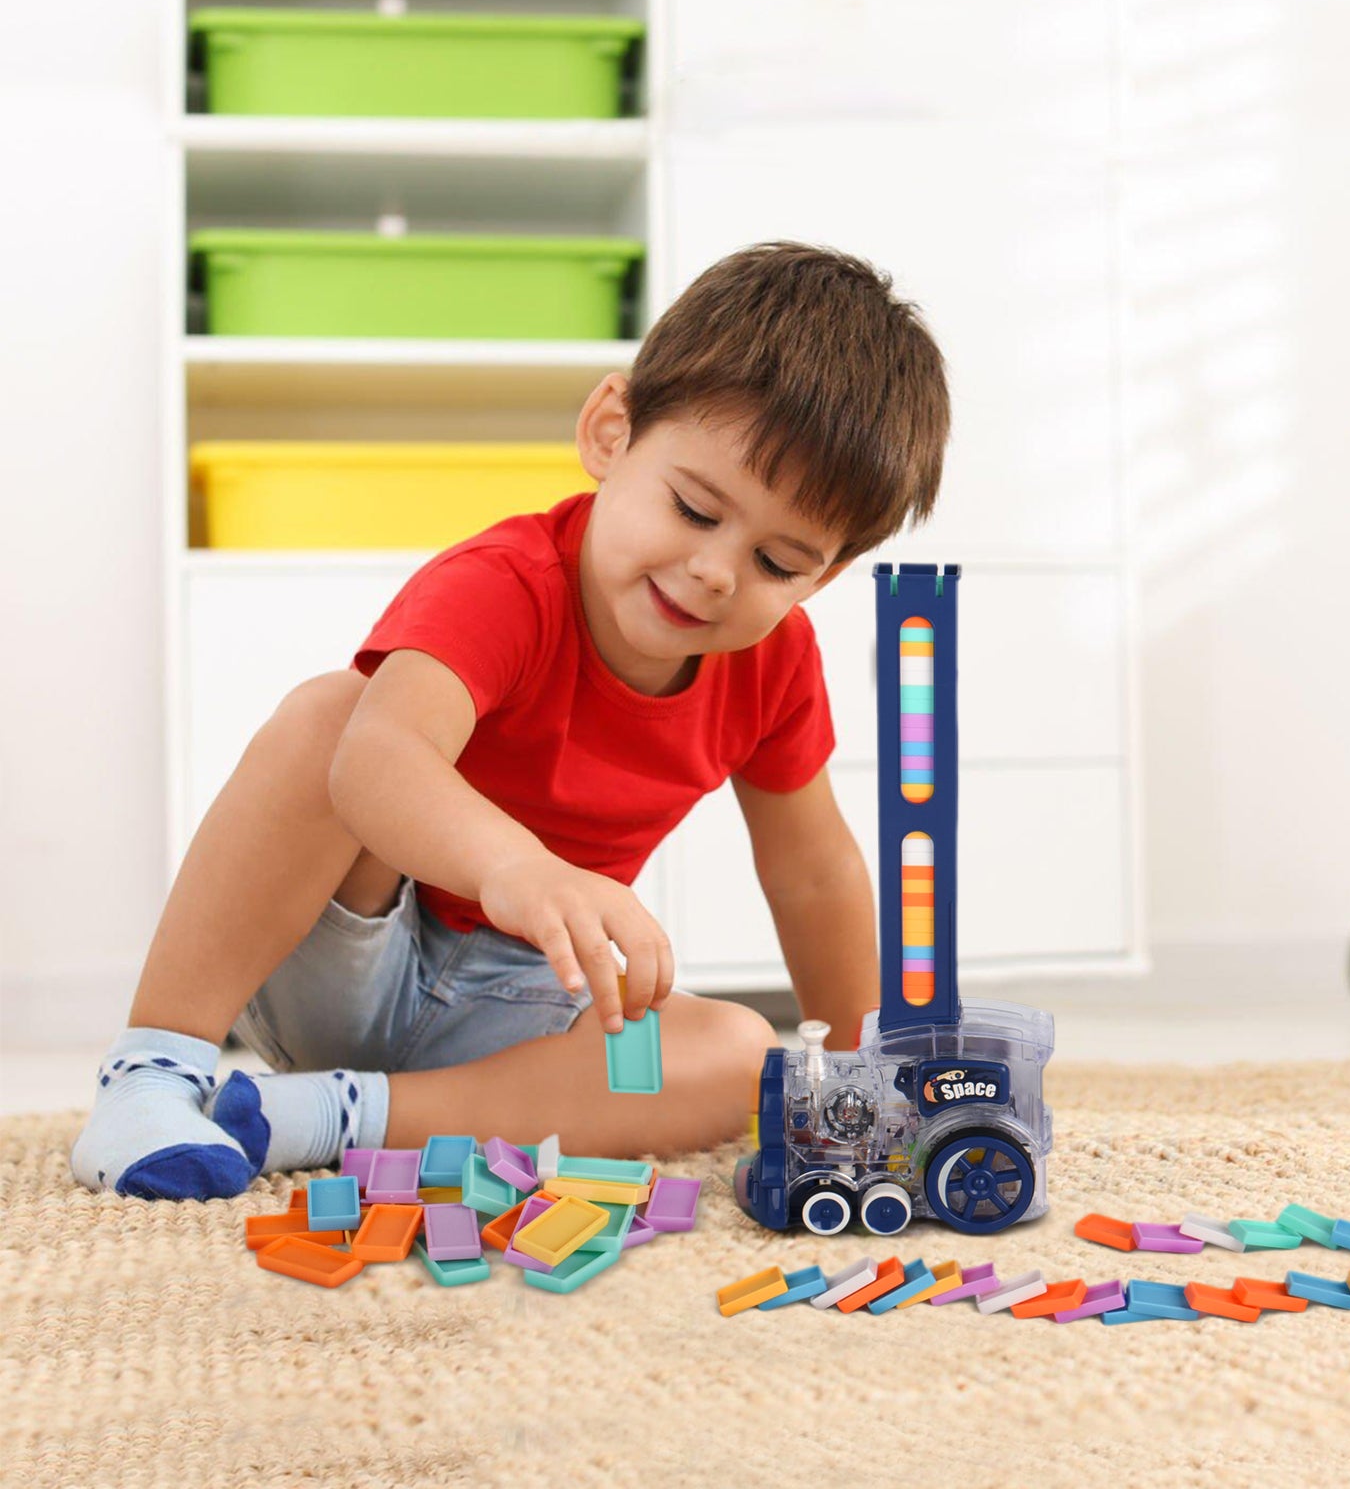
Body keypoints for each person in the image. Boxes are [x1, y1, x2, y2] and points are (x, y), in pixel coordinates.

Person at [71, 241, 951, 1200]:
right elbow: (378, 763)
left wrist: (873, 1070)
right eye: (695, 509)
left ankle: (322, 1117)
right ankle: (155, 1073)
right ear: (611, 433)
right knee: (336, 715)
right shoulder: (507, 584)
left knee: (741, 1054)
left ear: (824, 575)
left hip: (525, 1016)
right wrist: (517, 869)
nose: (716, 572)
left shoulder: (775, 665)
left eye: (779, 564)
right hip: (360, 948)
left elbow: (814, 870)